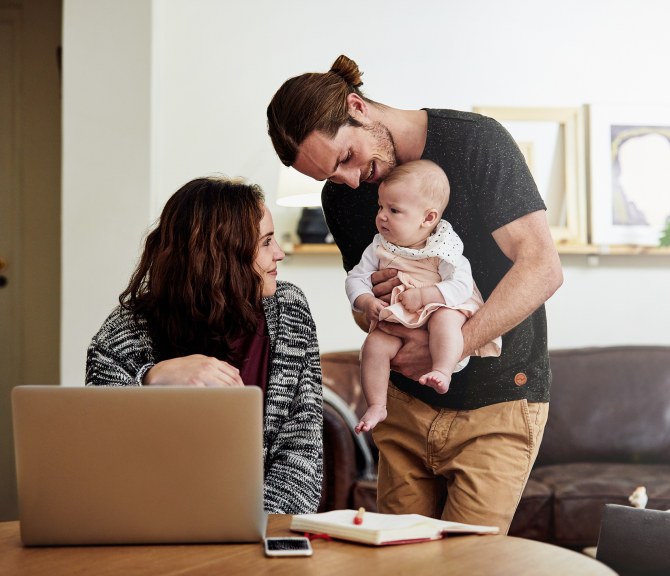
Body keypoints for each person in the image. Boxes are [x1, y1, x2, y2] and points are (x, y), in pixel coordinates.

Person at [267, 55, 563, 532]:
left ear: (357, 106)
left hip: (498, 404)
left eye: (345, 158)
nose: (346, 181)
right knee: (400, 563)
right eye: (329, 177)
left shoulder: (476, 143)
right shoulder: (343, 197)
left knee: (468, 565)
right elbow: (366, 303)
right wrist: (376, 311)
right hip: (402, 413)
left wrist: (451, 345)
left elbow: (542, 268)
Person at [86, 176, 323, 515]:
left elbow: (301, 451)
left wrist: (256, 530)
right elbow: (99, 449)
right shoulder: (126, 329)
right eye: (267, 242)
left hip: (258, 525)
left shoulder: (288, 311)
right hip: (145, 521)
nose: (280, 253)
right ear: (222, 254)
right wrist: (151, 378)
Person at [345, 160, 501, 433]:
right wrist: (365, 301)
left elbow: (462, 285)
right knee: (374, 345)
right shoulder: (379, 246)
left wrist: (428, 295)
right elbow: (355, 278)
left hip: (439, 304)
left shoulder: (443, 247)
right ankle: (377, 404)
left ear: (428, 218)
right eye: (380, 207)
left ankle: (442, 369)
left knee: (445, 319)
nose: (382, 216)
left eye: (394, 210)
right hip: (401, 315)